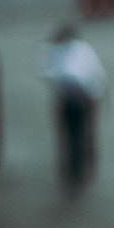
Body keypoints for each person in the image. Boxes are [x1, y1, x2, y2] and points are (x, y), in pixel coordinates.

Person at [39, 23, 106, 187]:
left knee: (74, 135)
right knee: (78, 135)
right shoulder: (78, 50)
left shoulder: (63, 52)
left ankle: (80, 166)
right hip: (78, 100)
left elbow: (50, 73)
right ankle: (81, 165)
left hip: (78, 100)